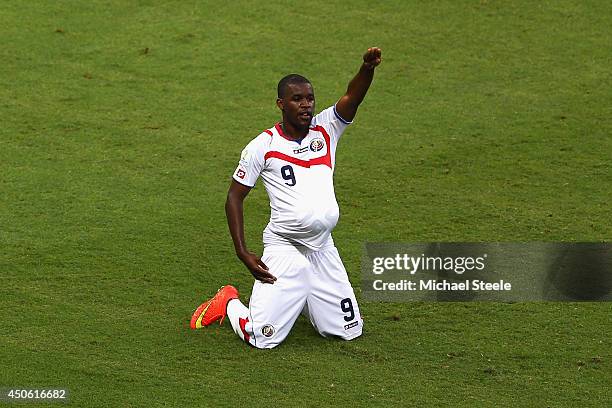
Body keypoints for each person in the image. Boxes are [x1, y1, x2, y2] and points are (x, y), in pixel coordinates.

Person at [190, 47, 382, 348]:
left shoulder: (326, 130)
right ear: (281, 104)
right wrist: (242, 251)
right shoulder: (263, 146)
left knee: (348, 330)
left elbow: (352, 98)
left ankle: (300, 293)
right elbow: (234, 197)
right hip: (285, 246)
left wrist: (367, 69)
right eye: (297, 99)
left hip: (322, 247)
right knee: (262, 339)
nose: (306, 105)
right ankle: (227, 302)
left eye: (310, 98)